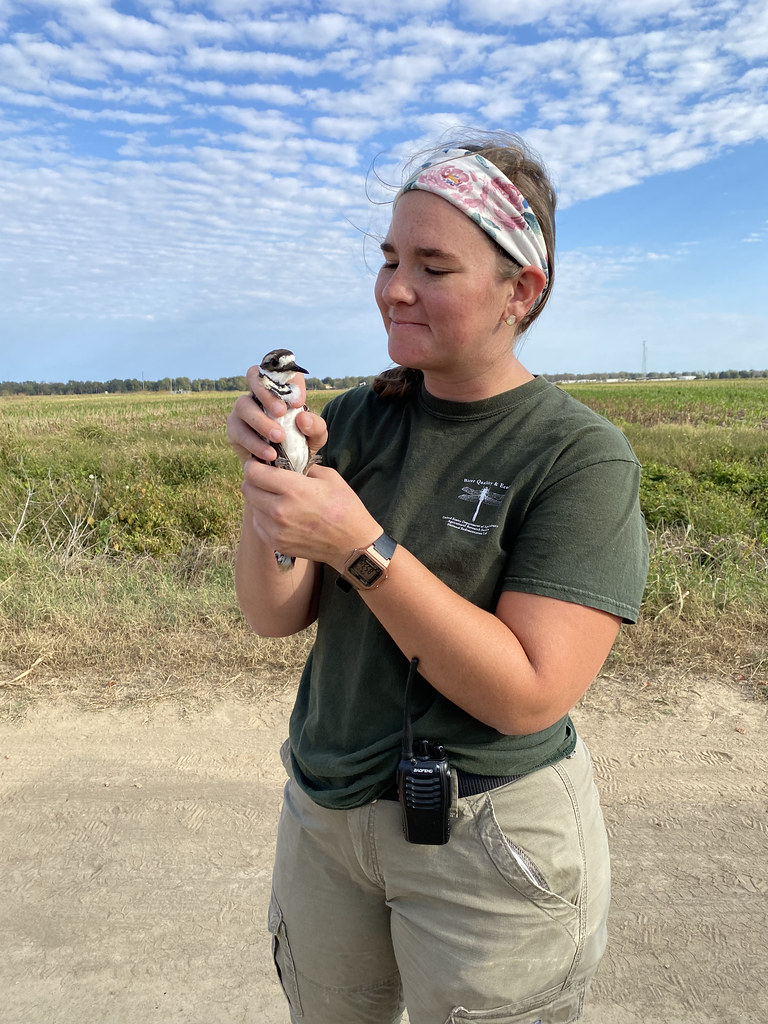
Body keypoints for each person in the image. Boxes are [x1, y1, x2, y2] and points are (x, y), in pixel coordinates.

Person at [226, 132, 649, 1024]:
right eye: (388, 258)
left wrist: (360, 545)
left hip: (487, 842)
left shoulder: (578, 456)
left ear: (520, 291)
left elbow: (530, 693)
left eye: (433, 265)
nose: (394, 288)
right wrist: (271, 483)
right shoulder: (356, 420)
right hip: (327, 814)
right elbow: (275, 615)